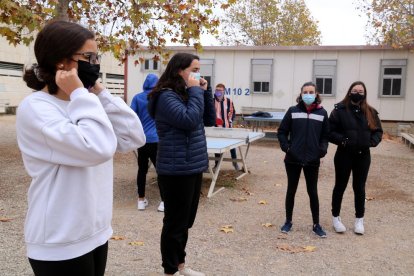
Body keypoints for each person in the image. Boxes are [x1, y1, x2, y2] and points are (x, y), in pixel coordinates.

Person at [16, 20, 146, 275]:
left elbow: (133, 136)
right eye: (88, 56)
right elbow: (96, 148)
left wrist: (97, 90)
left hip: (94, 232)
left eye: (97, 56)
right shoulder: (36, 109)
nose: (95, 63)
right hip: (60, 240)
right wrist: (80, 95)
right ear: (61, 61)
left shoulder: (87, 102)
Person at [148, 52, 215, 276]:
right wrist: (196, 91)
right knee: (175, 223)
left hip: (192, 165)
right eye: (194, 70)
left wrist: (204, 93)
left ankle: (180, 265)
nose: (198, 74)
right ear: (179, 70)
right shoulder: (166, 96)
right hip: (175, 169)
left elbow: (207, 120)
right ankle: (170, 270)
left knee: (185, 222)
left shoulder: (186, 93)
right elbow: (187, 121)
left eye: (199, 70)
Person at [329, 81, 383, 235]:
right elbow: (330, 131)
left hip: (363, 155)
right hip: (344, 154)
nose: (357, 93)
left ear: (364, 93)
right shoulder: (339, 110)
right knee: (340, 186)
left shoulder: (371, 112)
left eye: (360, 91)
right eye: (354, 90)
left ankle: (359, 219)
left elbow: (378, 131)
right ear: (349, 91)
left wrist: (372, 142)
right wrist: (343, 140)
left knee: (359, 188)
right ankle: (336, 217)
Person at [277, 81, 329, 238]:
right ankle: (288, 221)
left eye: (311, 92)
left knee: (312, 191)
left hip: (312, 160)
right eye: (305, 92)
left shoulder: (322, 113)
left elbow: (325, 136)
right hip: (293, 159)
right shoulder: (293, 111)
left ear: (316, 94)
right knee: (291, 190)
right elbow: (282, 132)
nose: (308, 94)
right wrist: (287, 148)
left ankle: (316, 225)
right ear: (301, 94)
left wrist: (321, 151)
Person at [131, 73, 165, 212]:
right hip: (157, 140)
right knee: (161, 171)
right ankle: (164, 202)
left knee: (142, 170)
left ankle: (140, 200)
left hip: (142, 140)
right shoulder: (160, 98)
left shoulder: (137, 98)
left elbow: (131, 117)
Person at [213, 83, 240, 170]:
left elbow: (232, 112)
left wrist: (230, 120)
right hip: (216, 128)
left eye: (220, 90)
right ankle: (216, 164)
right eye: (217, 90)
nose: (218, 92)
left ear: (224, 91)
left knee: (232, 146)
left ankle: (235, 163)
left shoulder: (229, 101)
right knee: (217, 147)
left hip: (227, 127)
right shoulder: (211, 101)